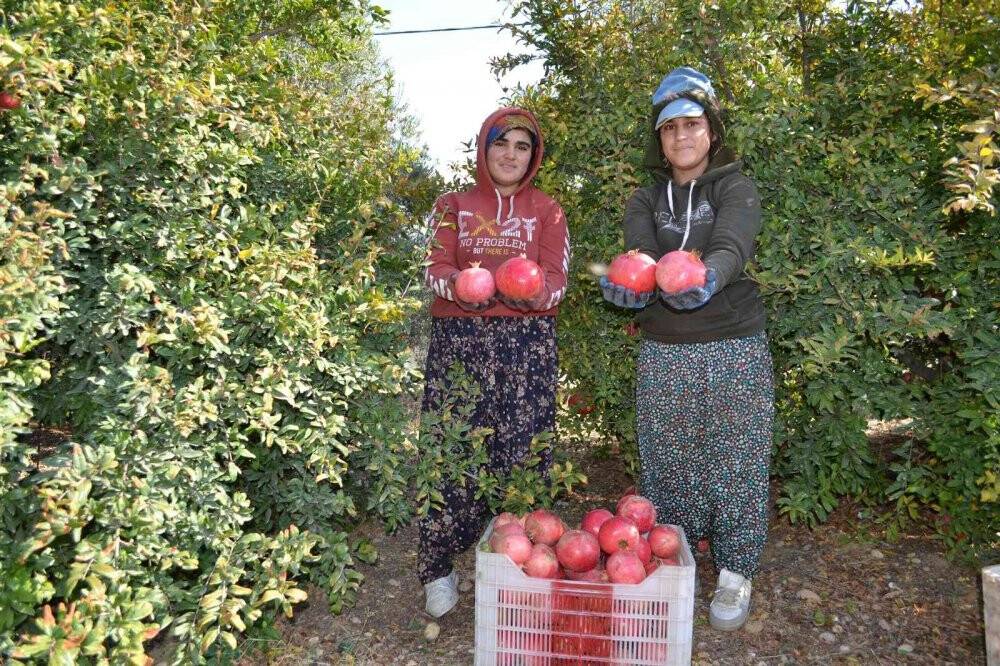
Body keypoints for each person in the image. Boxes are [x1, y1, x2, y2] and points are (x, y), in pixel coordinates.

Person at [600, 66, 774, 631]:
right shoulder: (645, 199)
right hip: (665, 347)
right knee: (667, 462)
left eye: (692, 123)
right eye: (669, 126)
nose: (681, 136)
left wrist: (710, 276)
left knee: (737, 458)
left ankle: (735, 571)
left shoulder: (735, 186)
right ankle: (675, 561)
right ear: (660, 138)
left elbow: (730, 245)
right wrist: (629, 285)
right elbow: (643, 257)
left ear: (712, 130)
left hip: (733, 342)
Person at [419, 107, 570, 618]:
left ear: (534, 156)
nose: (511, 154)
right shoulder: (453, 204)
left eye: (522, 146)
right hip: (460, 339)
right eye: (501, 144)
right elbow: (434, 267)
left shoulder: (546, 209)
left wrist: (532, 297)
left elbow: (557, 280)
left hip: (526, 340)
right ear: (484, 150)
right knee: (451, 445)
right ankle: (438, 564)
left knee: (524, 447)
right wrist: (462, 286)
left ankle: (519, 561)